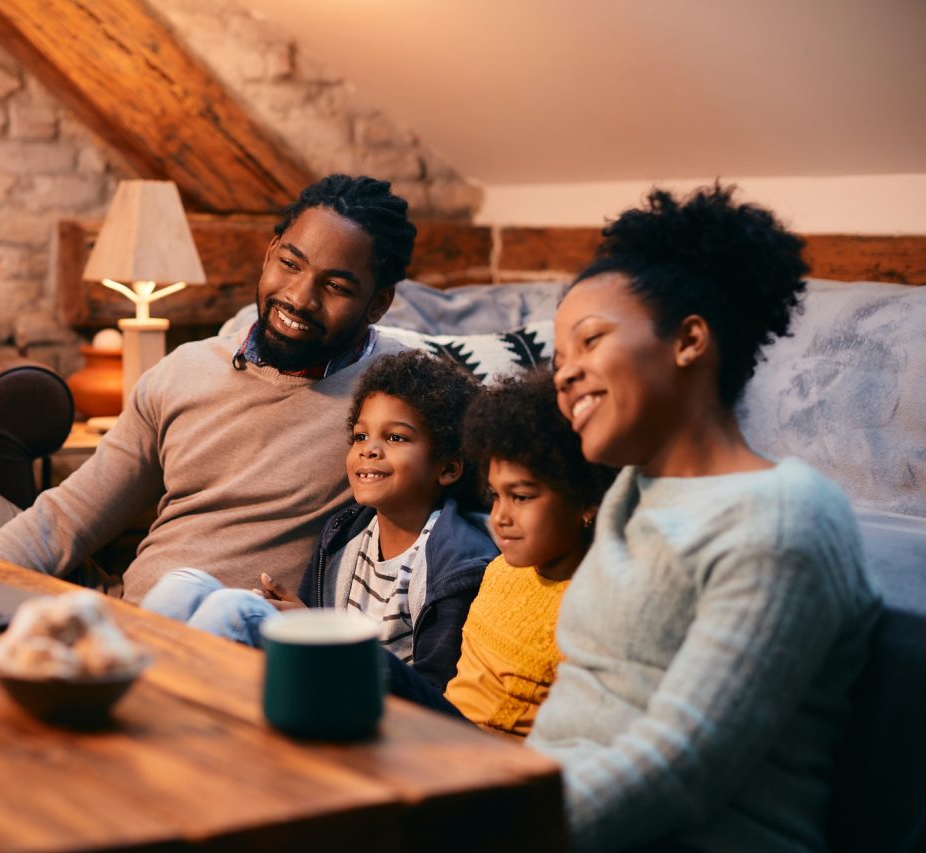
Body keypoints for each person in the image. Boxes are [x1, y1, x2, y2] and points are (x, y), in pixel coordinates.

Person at [527, 185, 881, 852]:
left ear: (690, 340)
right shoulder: (633, 491)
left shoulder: (783, 518)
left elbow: (678, 766)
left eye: (590, 341)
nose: (564, 377)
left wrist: (485, 832)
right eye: (559, 360)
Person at [0, 174, 415, 604]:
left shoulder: (398, 395)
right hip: (116, 608)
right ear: (270, 253)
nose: (299, 297)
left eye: (336, 286)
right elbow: (68, 518)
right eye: (291, 263)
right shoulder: (182, 372)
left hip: (220, 635)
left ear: (377, 304)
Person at [142, 350, 496, 692]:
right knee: (183, 584)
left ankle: (170, 718)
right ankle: (147, 701)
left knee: (234, 611)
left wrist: (315, 629)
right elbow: (317, 620)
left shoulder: (457, 562)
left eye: (395, 437)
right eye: (360, 435)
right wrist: (303, 616)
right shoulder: (344, 535)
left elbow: (436, 688)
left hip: (383, 710)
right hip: (330, 677)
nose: (368, 450)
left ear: (448, 468)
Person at [388, 367, 616, 734]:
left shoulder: (599, 608)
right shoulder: (500, 570)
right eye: (495, 496)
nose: (500, 517)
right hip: (444, 741)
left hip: (502, 770)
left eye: (522, 497)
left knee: (368, 664)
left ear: (587, 502)